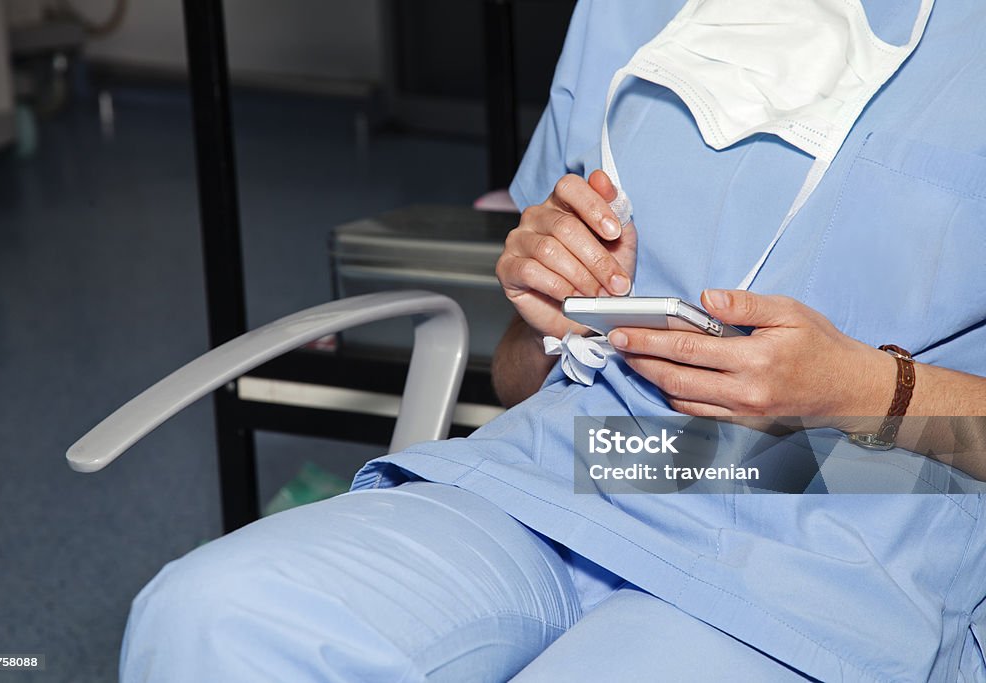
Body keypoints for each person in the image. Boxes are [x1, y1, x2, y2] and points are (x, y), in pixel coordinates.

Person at [120, 1, 986, 681]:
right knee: (208, 622)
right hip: (578, 466)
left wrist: (869, 390)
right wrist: (549, 313)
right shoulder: (630, 14)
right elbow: (518, 378)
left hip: (847, 529)